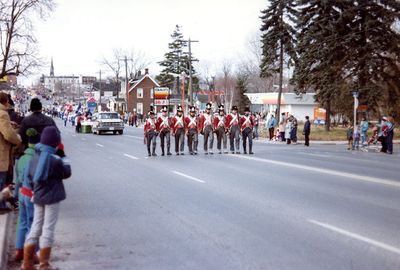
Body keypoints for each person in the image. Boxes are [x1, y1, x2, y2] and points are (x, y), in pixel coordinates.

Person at [21, 127, 71, 270]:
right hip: (52, 197)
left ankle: (27, 263)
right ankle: (44, 264)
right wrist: (63, 156)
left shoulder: (34, 157)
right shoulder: (55, 160)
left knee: (36, 227)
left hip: (37, 196)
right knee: (48, 229)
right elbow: (67, 173)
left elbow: (29, 177)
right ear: (55, 143)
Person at [14, 128, 40, 262]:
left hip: (21, 194)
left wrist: (14, 197)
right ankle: (31, 254)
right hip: (31, 195)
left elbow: (17, 180)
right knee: (33, 223)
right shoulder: (36, 160)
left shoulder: (21, 158)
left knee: (22, 222)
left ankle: (19, 250)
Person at [0, 92, 22, 210]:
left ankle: (6, 201)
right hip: (1, 151)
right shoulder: (3, 114)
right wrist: (18, 140)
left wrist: (9, 124)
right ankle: (2, 205)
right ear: (5, 101)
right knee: (1, 179)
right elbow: (8, 135)